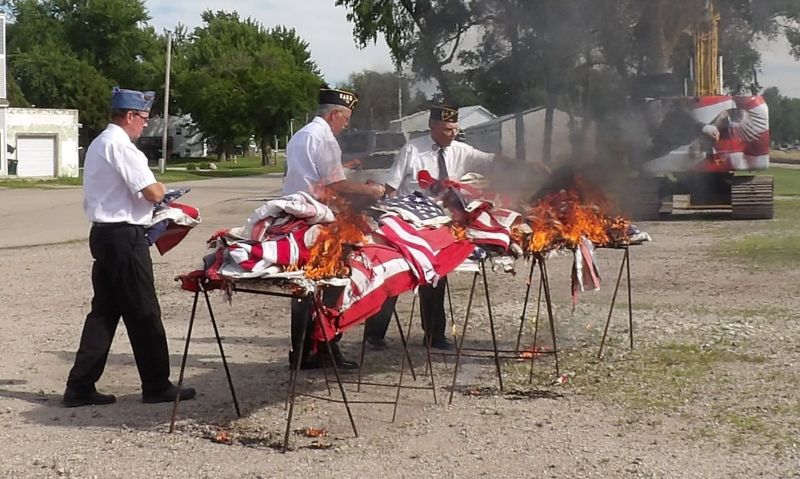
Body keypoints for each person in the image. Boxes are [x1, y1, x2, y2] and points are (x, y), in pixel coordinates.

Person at [370, 105, 549, 350]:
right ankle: (374, 333)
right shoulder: (412, 150)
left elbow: (491, 160)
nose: (452, 134)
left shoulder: (460, 151)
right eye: (446, 129)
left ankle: (434, 335)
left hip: (441, 223)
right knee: (395, 274)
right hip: (409, 222)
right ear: (432, 126)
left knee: (436, 276)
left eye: (455, 129)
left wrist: (525, 165)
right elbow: (391, 187)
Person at [62, 87, 196, 407]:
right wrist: (165, 191)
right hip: (124, 238)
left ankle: (80, 385)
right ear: (130, 116)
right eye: (144, 119)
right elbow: (151, 192)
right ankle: (156, 384)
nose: (146, 125)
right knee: (145, 312)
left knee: (105, 313)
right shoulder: (121, 147)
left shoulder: (99, 143)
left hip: (105, 235)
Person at [284, 86, 385, 370]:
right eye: (346, 118)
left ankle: (302, 352)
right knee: (332, 285)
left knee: (304, 287)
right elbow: (334, 186)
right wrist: (372, 192)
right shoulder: (325, 138)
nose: (347, 123)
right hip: (321, 221)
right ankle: (325, 346)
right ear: (334, 114)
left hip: (298, 215)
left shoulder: (302, 134)